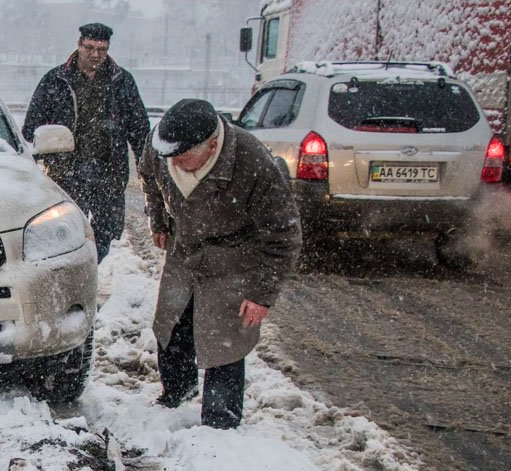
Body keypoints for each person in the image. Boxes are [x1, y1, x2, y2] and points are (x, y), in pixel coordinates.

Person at [137, 99, 302, 429]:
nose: (173, 162)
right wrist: (158, 219)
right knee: (172, 326)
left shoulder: (252, 162)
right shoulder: (163, 146)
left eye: (182, 158)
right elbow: (148, 177)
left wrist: (261, 295)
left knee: (224, 342)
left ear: (212, 145)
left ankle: (220, 421)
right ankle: (175, 395)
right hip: (185, 250)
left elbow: (284, 236)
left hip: (234, 258)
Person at [22, 22, 150, 261]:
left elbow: (139, 129)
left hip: (109, 172)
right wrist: (45, 151)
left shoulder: (121, 81)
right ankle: (72, 275)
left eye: (101, 49)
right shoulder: (57, 79)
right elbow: (32, 128)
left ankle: (90, 270)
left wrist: (147, 168)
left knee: (104, 233)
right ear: (79, 45)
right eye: (90, 48)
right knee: (64, 231)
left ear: (108, 49)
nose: (95, 55)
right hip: (66, 173)